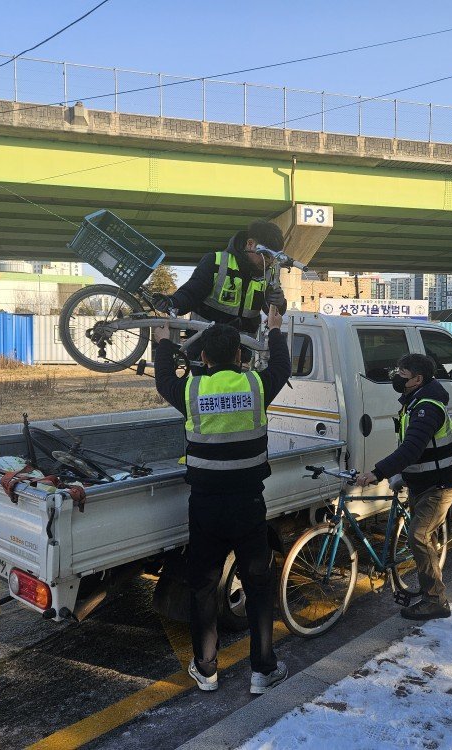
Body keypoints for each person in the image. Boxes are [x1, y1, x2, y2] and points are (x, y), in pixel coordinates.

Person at [152, 307, 291, 695]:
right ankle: (263, 671)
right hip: (248, 504)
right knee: (258, 585)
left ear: (204, 358)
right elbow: (282, 366)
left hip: (205, 506)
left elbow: (164, 380)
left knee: (203, 587)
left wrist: (163, 342)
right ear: (240, 355)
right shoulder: (256, 386)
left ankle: (206, 670)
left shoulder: (192, 391)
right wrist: (275, 330)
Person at [355, 353, 452, 621]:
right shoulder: (414, 402)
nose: (396, 378)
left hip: (438, 485)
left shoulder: (427, 408)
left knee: (419, 536)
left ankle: (436, 601)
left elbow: (411, 449)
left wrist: (378, 472)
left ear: (417, 379)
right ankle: (429, 587)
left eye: (402, 374)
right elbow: (413, 449)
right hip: (422, 482)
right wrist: (402, 473)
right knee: (424, 537)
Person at [151, 219, 288, 342]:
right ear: (250, 244)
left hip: (242, 348)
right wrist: (172, 302)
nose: (269, 262)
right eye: (265, 255)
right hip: (205, 345)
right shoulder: (216, 262)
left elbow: (272, 312)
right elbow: (191, 293)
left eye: (274, 257)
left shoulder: (269, 273)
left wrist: (280, 303)